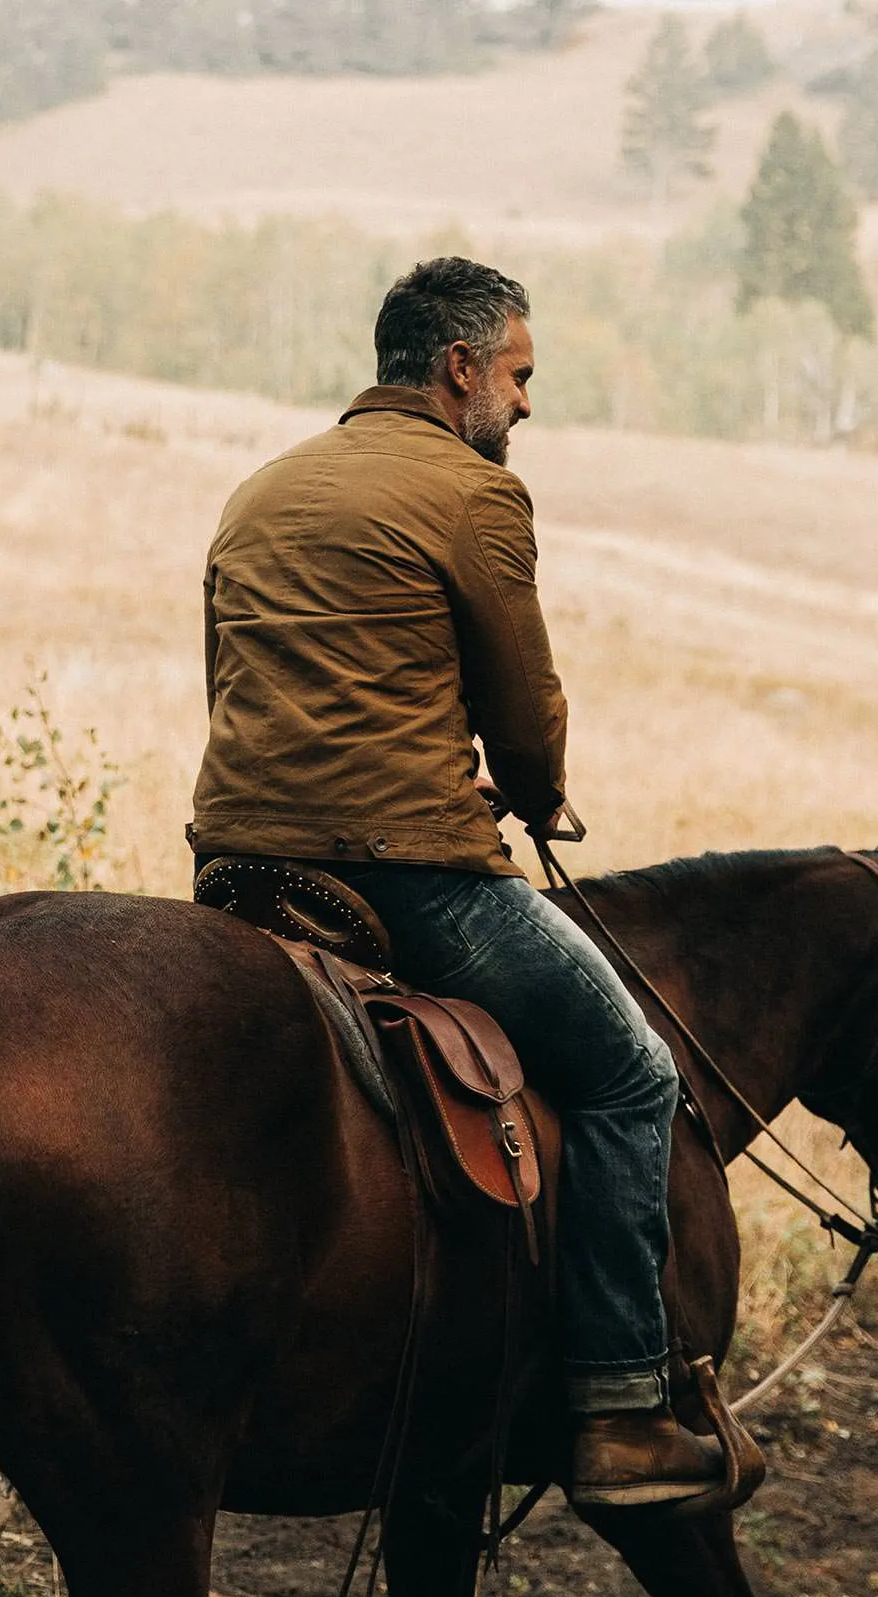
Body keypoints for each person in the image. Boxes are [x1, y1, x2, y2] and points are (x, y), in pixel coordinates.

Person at [191, 256, 723, 1509]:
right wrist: (533, 793)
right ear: (459, 370)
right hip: (408, 879)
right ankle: (616, 1406)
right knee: (628, 1074)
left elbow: (248, 680)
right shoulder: (474, 492)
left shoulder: (259, 489)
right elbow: (522, 707)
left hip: (239, 866)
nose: (526, 405)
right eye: (521, 375)